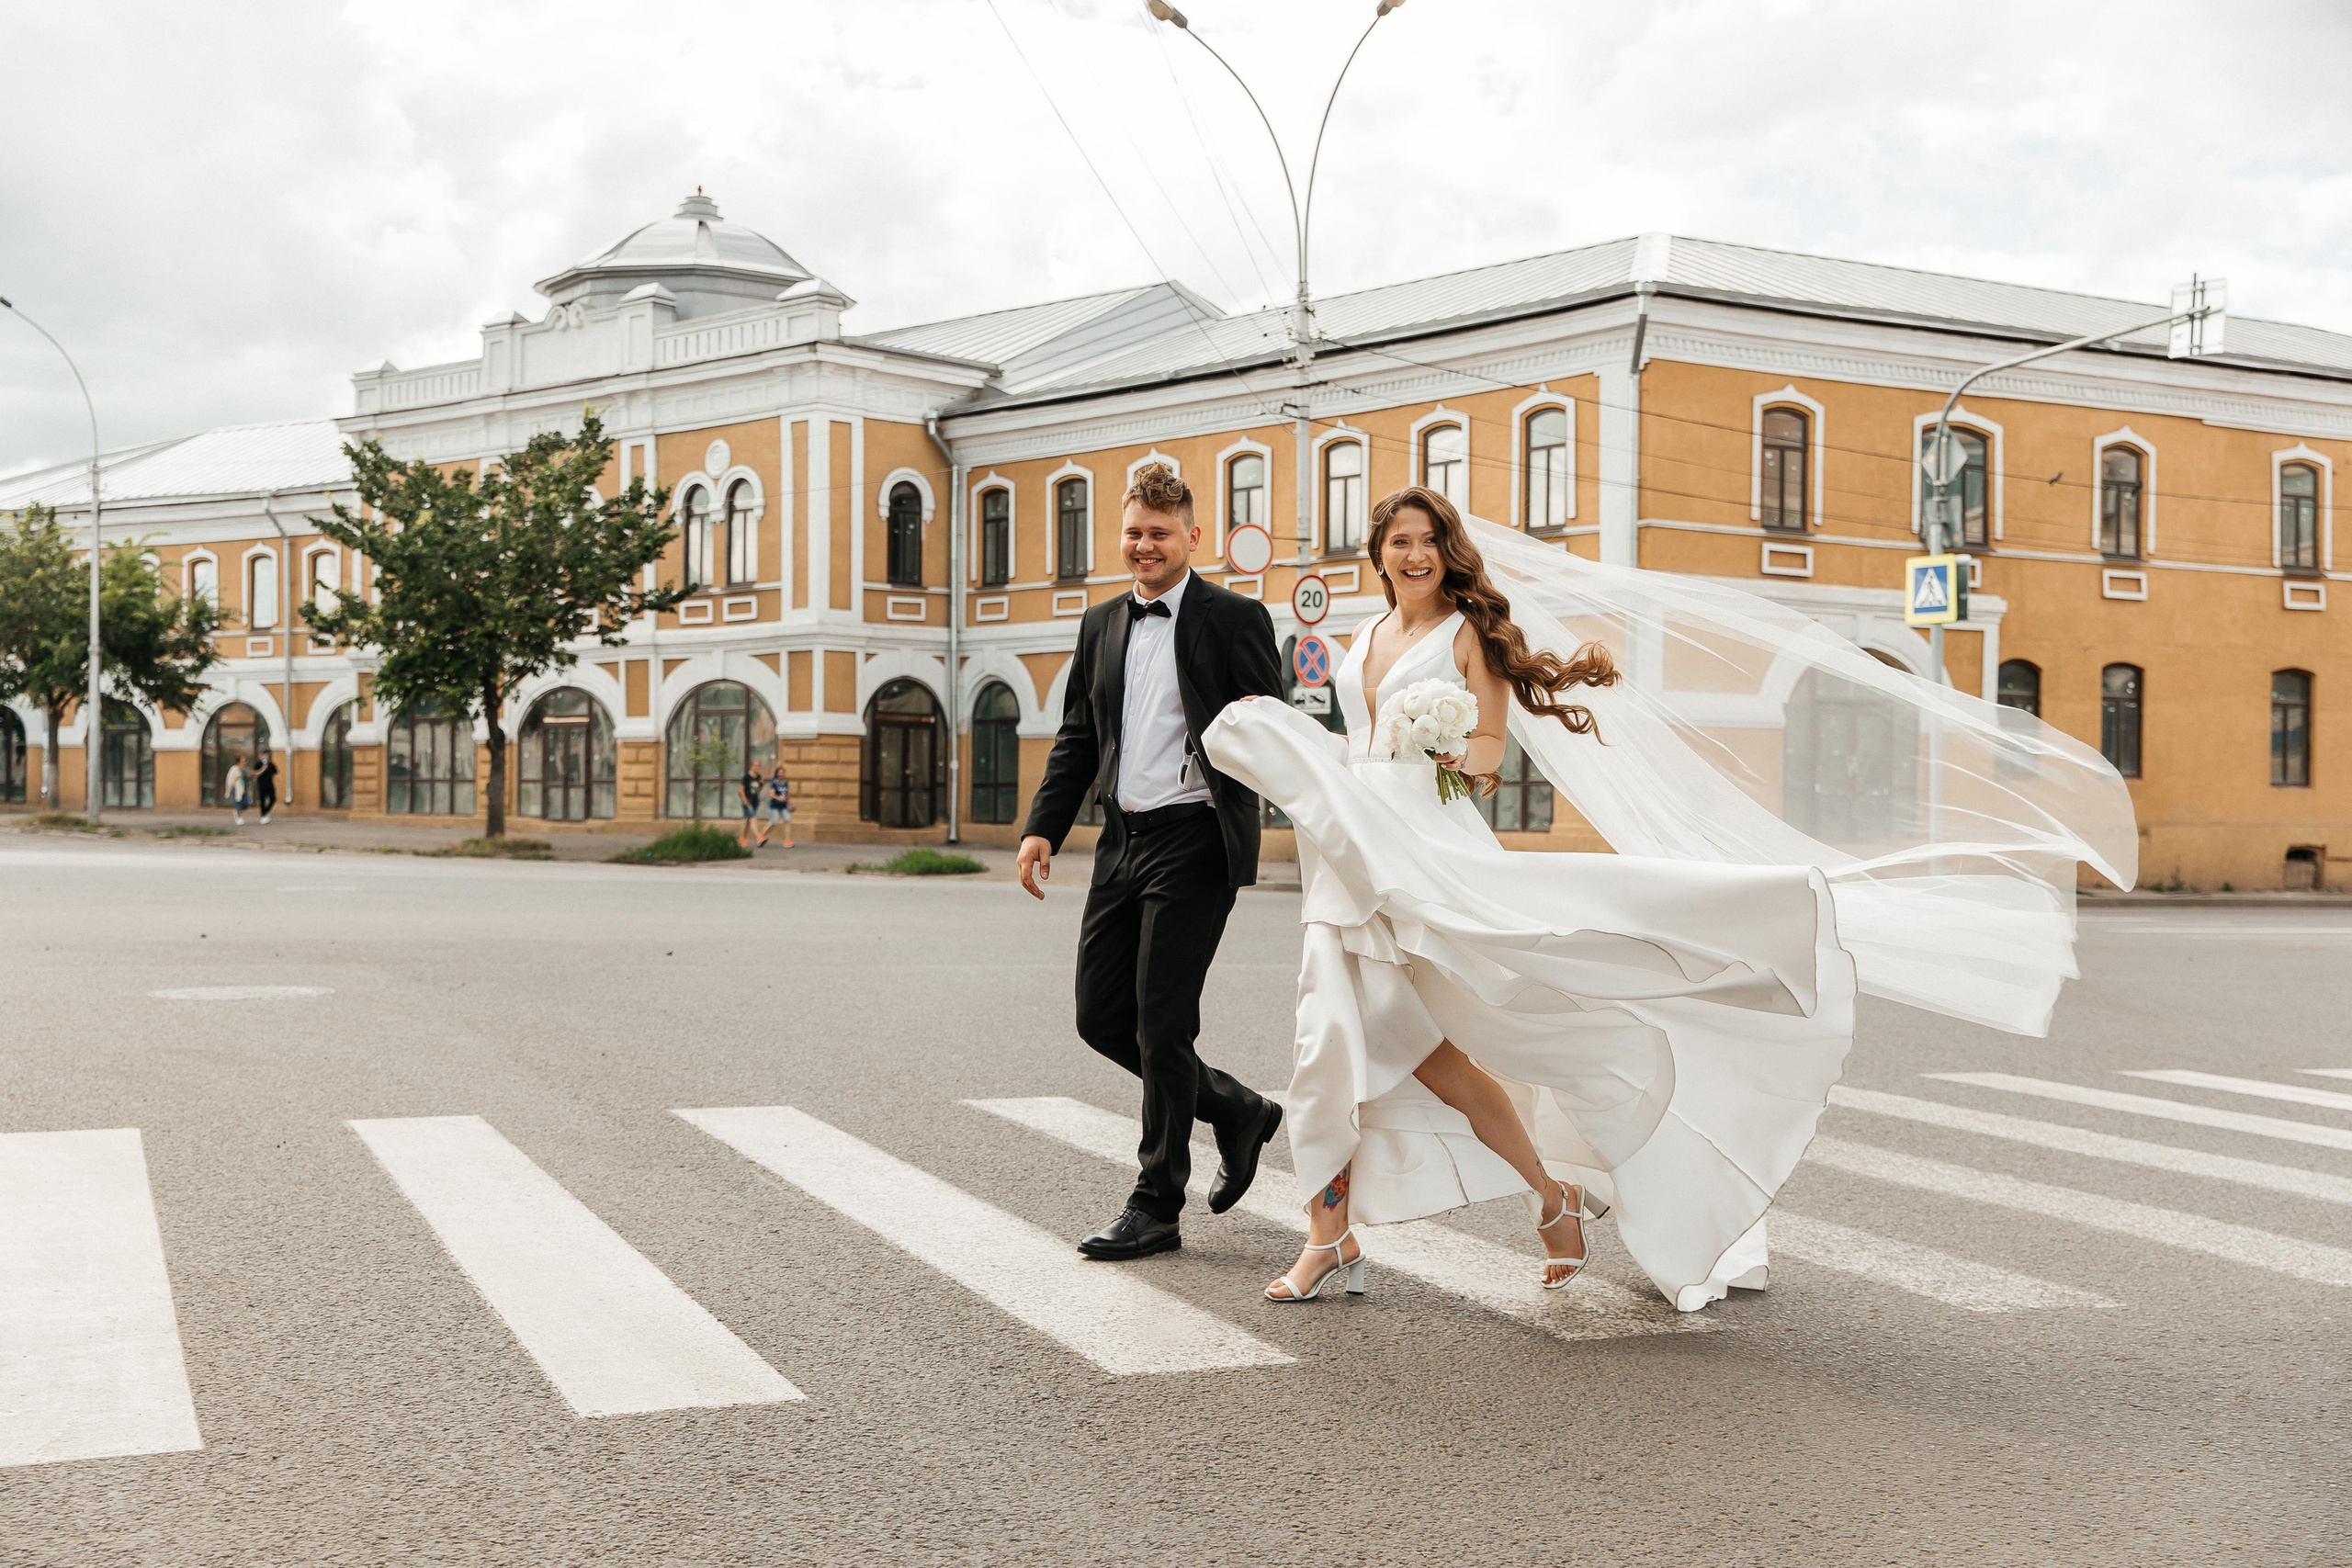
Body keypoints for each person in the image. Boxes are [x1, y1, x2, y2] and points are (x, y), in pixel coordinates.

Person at [1203, 486, 2133, 1310]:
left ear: (1448, 554)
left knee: (1438, 1053)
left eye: (1427, 541)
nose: (1412, 556)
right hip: (1349, 864)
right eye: (1398, 542)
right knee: (1354, 1047)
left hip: (1428, 860)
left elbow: (1486, 758)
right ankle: (1358, 1234)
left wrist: (1441, 751)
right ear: (1377, 556)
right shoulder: (1362, 638)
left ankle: (1526, 1201)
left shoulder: (1465, 636)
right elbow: (1346, 743)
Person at [1018, 461, 1287, 1261]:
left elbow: (1267, 730)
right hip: (1121, 839)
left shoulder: (1236, 618)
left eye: (1159, 534)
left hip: (1195, 838)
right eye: (1134, 532)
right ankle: (1237, 1108)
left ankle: (1155, 1202)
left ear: (1191, 538)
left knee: (1163, 1023)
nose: (1144, 545)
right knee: (1100, 1017)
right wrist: (1043, 827)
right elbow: (1077, 734)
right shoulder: (1101, 622)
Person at [739, 760, 767, 847]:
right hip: (747, 801)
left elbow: (758, 788)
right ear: (751, 766)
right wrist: (744, 800)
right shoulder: (746, 777)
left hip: (755, 801)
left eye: (758, 766)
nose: (757, 767)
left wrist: (762, 785)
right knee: (753, 818)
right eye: (755, 765)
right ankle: (759, 837)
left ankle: (742, 839)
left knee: (747, 821)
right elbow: (741, 789)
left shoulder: (758, 777)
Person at [764, 771, 793, 848]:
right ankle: (762, 836)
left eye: (783, 772)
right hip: (774, 806)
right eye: (780, 773)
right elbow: (771, 794)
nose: (781, 774)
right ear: (777, 774)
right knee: (773, 823)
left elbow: (787, 794)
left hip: (783, 806)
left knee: (787, 820)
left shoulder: (786, 783)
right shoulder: (774, 783)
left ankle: (787, 840)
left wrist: (789, 802)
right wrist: (779, 798)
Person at [250, 750, 279, 825]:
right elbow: (255, 773)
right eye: (264, 755)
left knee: (273, 798)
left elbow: (275, 773)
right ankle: (263, 816)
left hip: (270, 784)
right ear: (262, 756)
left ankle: (266, 811)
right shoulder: (258, 764)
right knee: (262, 800)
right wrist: (263, 769)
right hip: (262, 785)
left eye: (267, 755)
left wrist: (279, 781)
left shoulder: (271, 764)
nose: (266, 757)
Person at [225, 755, 249, 826]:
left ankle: (237, 811)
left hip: (244, 788)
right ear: (238, 762)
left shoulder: (245, 769)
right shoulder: (234, 769)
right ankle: (239, 817)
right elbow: (230, 778)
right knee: (238, 802)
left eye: (245, 761)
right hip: (237, 788)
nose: (244, 763)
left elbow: (248, 778)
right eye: (243, 761)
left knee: (246, 804)